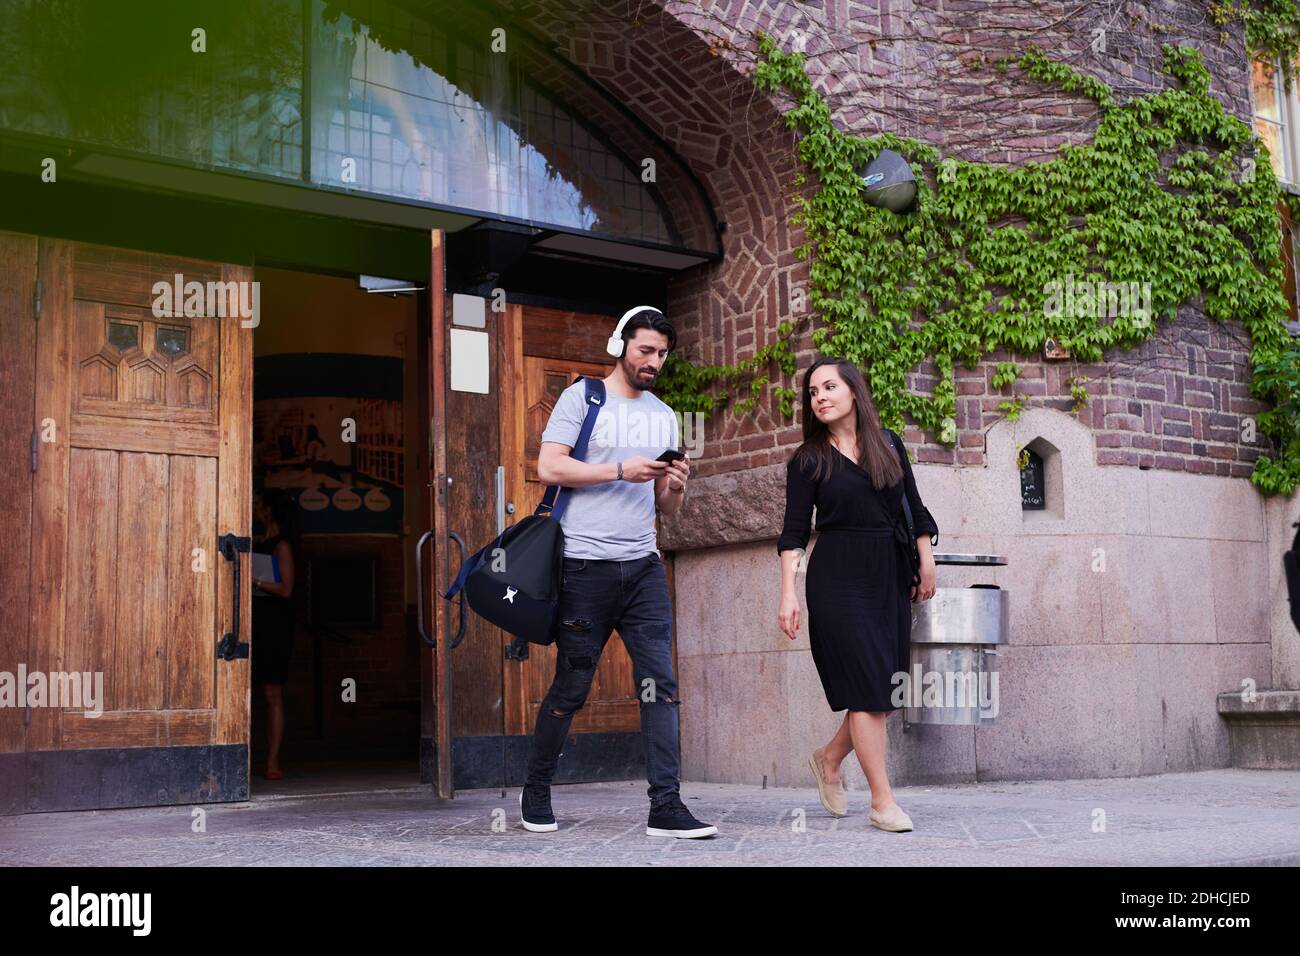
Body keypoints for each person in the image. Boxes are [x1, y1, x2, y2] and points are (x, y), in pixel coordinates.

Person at [520, 305, 717, 839]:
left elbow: (665, 508)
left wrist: (676, 481)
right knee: (573, 685)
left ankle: (666, 806)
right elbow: (549, 466)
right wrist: (619, 469)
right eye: (645, 350)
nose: (654, 361)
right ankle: (536, 789)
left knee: (660, 684)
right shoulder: (582, 397)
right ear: (620, 346)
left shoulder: (664, 415)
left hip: (644, 566)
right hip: (585, 564)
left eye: (661, 354)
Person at [776, 357, 939, 832]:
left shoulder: (889, 444)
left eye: (829, 387)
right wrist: (789, 593)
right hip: (836, 580)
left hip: (887, 572)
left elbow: (914, 506)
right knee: (868, 690)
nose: (820, 397)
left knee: (880, 690)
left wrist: (925, 559)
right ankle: (882, 801)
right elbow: (792, 534)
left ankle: (829, 759)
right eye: (812, 392)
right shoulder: (808, 460)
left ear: (854, 392)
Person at [251, 488, 300, 780]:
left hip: (275, 624)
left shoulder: (282, 546)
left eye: (259, 504)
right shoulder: (261, 542)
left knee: (272, 693)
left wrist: (254, 582)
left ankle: (272, 761)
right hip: (257, 621)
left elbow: (286, 589)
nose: (255, 508)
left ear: (268, 510)